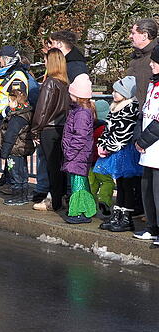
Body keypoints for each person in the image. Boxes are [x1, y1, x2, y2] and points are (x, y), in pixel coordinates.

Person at [97, 76, 142, 232]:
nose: (114, 94)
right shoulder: (115, 106)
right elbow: (108, 129)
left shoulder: (130, 107)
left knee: (127, 185)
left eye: (118, 91)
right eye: (114, 90)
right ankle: (117, 214)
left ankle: (127, 217)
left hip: (125, 151)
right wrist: (101, 144)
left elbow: (124, 133)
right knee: (120, 184)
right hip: (116, 150)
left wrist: (108, 146)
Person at [29, 49, 70, 211]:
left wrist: (35, 129)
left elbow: (42, 110)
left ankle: (53, 201)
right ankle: (60, 198)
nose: (44, 63)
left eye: (45, 60)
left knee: (51, 167)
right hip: (62, 128)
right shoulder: (64, 83)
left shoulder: (50, 83)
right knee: (59, 166)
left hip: (49, 129)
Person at [61, 74, 98, 224]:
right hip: (78, 154)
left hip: (77, 155)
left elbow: (80, 136)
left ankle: (79, 212)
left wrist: (70, 152)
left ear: (77, 94)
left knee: (78, 184)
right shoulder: (80, 110)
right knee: (79, 182)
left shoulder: (81, 113)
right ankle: (85, 209)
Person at [133, 48, 159, 243]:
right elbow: (144, 113)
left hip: (155, 147)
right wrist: (138, 137)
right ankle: (152, 226)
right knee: (147, 189)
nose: (151, 64)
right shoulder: (153, 83)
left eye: (155, 62)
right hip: (148, 151)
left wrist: (143, 140)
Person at [0, 80, 35, 206]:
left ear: (15, 100)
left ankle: (19, 196)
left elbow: (10, 136)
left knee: (16, 174)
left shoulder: (17, 118)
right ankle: (23, 194)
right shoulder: (27, 112)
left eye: (9, 100)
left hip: (14, 150)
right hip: (21, 149)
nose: (8, 103)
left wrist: (4, 152)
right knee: (22, 173)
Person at [126, 19, 157, 107]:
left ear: (144, 36)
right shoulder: (134, 59)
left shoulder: (155, 59)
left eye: (133, 33)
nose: (130, 36)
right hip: (133, 115)